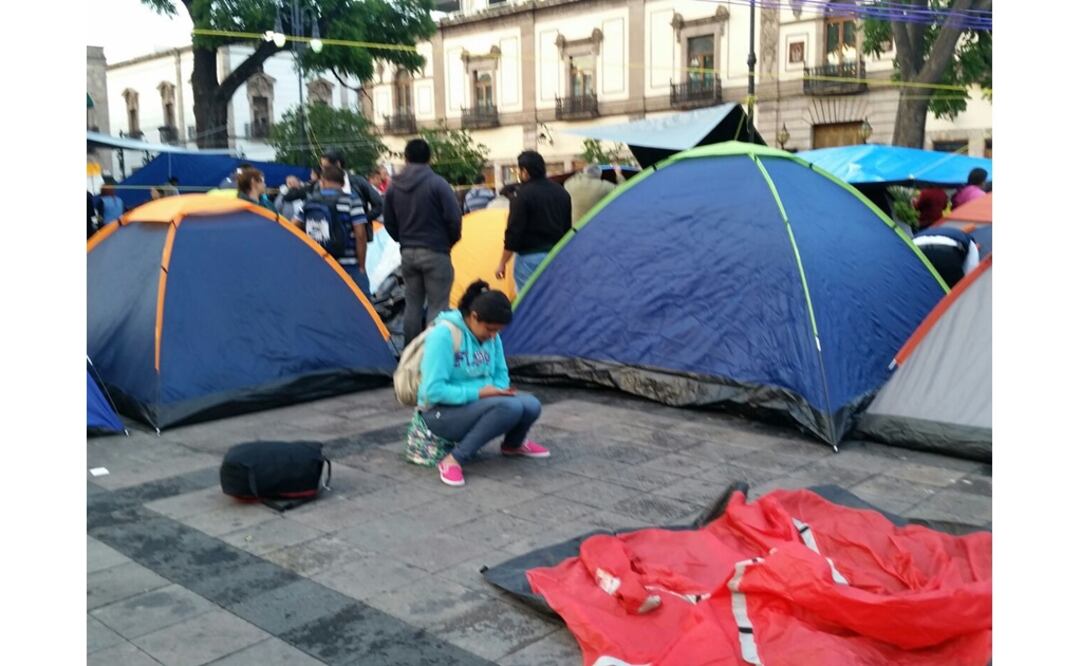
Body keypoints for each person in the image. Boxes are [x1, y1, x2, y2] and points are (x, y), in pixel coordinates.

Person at [418, 280, 549, 487]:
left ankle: (513, 445)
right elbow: (432, 391)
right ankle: (454, 459)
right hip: (439, 414)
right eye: (490, 329)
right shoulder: (444, 335)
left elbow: (501, 374)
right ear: (474, 317)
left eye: (498, 331)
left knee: (531, 404)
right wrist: (480, 393)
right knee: (509, 407)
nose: (493, 335)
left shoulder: (491, 337)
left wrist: (497, 391)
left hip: (477, 403)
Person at [384, 138, 463, 345]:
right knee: (438, 306)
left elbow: (389, 222)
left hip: (408, 253)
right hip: (436, 250)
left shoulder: (393, 187)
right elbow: (454, 218)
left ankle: (411, 352)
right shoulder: (438, 183)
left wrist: (403, 240)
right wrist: (448, 242)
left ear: (406, 158)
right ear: (429, 158)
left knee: (412, 305)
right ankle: (432, 352)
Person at [497, 151, 572, 291]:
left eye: (519, 170)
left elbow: (514, 232)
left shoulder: (521, 195)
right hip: (556, 256)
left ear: (525, 171)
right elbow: (567, 227)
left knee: (529, 299)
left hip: (529, 258)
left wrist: (502, 263)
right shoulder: (562, 192)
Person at [295, 164, 371, 294]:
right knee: (359, 302)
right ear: (343, 183)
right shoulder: (352, 199)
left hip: (320, 262)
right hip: (348, 265)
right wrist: (361, 266)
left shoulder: (310, 201)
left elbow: (294, 226)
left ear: (322, 181)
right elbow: (360, 234)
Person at [320, 148, 384, 223]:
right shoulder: (320, 186)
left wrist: (361, 219)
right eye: (322, 167)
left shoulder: (358, 182)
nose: (323, 170)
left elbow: (379, 205)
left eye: (326, 167)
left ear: (338, 164)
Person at [913, 225, 980, 288]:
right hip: (947, 251)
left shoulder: (955, 234)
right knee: (964, 287)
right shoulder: (969, 242)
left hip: (916, 247)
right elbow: (971, 273)